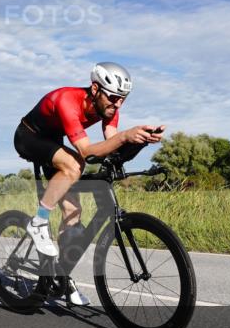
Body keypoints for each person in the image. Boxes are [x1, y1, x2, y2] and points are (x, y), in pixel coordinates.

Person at [13, 62, 164, 304]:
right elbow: (86, 152)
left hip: (53, 141)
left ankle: (62, 276)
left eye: (123, 99)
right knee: (74, 165)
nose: (117, 104)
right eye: (114, 97)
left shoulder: (111, 108)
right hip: (29, 136)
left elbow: (111, 145)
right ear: (95, 89)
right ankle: (38, 222)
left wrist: (140, 141)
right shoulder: (67, 100)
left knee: (74, 212)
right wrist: (126, 135)